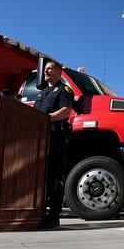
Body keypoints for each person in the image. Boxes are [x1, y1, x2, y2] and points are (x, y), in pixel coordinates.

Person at [33, 60, 73, 229]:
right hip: (40, 138)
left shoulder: (64, 90)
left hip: (56, 136)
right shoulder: (42, 93)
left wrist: (46, 119)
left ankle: (53, 215)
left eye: (50, 69)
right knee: (41, 176)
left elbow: (66, 111)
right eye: (46, 70)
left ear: (59, 72)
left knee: (55, 176)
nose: (46, 72)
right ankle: (38, 212)